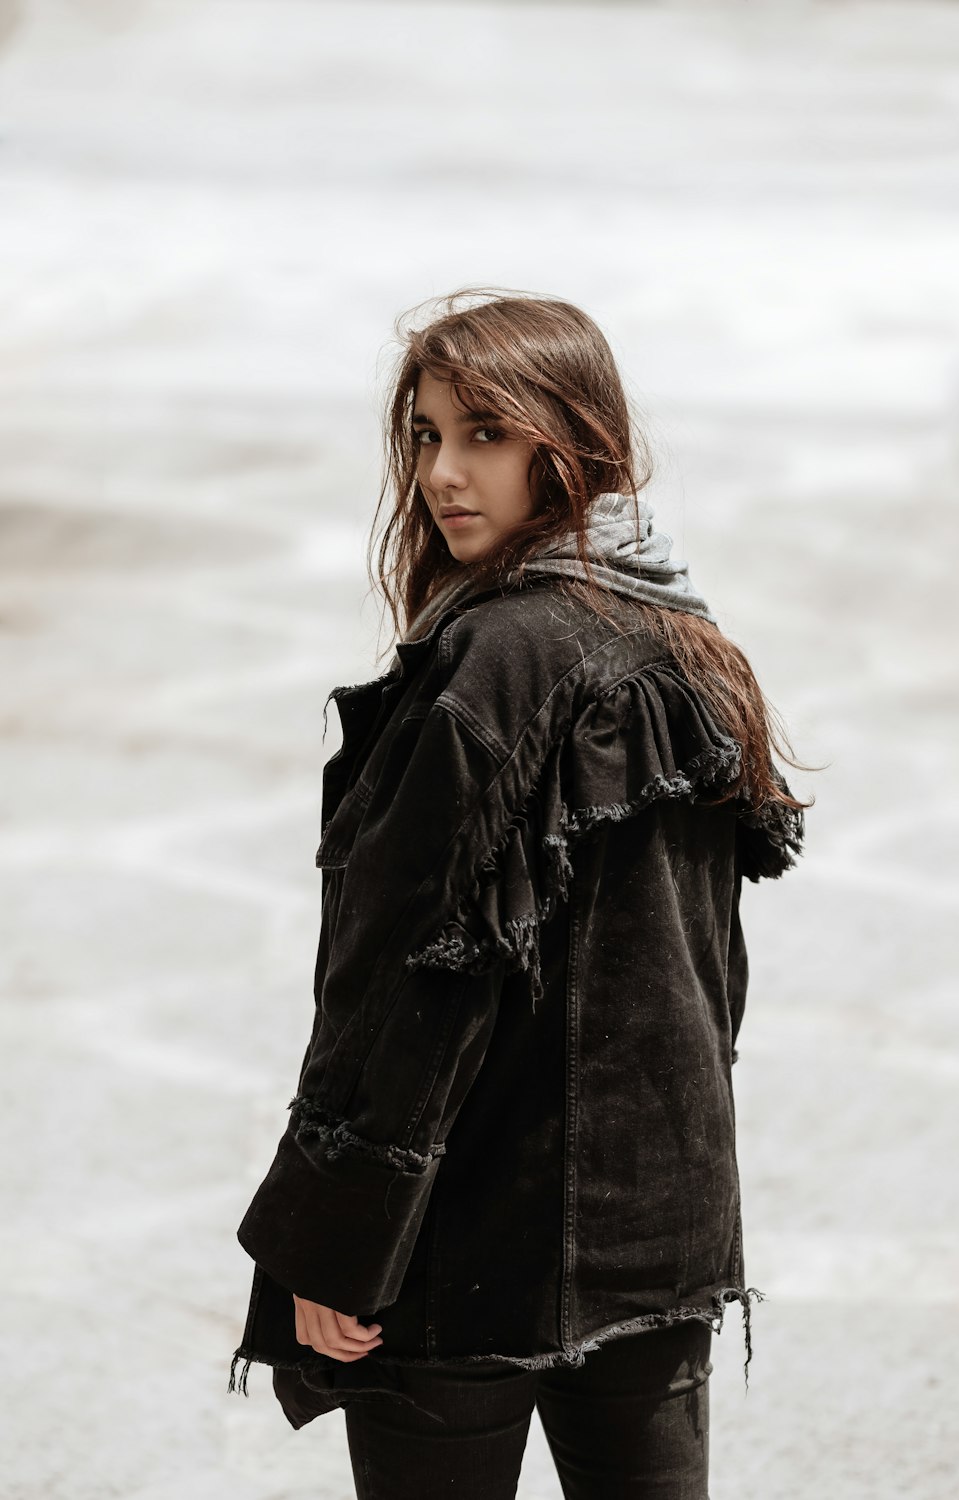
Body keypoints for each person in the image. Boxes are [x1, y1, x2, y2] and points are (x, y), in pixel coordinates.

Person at [227, 287, 812, 1498]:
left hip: (461, 1241)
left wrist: (335, 1240)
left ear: (574, 438)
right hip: (659, 1234)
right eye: (429, 434)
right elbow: (714, 982)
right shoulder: (690, 643)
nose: (444, 473)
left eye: (486, 434)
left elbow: (405, 987)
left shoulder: (488, 664)